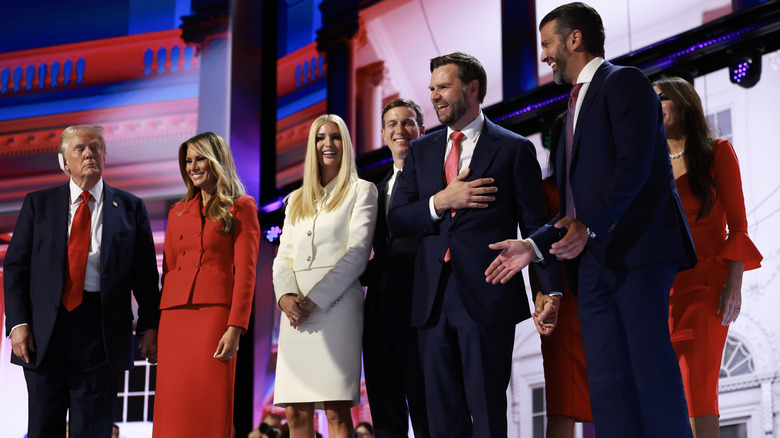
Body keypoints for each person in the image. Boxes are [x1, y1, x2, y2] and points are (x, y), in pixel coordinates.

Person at [485, 3, 698, 437]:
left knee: (649, 372)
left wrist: (591, 224)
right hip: (593, 265)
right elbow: (569, 210)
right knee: (606, 383)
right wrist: (534, 245)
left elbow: (633, 167)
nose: (544, 55)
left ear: (575, 38)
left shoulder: (626, 82)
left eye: (548, 44)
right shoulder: (566, 118)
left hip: (638, 253)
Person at [386, 52, 563, 438]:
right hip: (431, 298)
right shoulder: (421, 151)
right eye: (431, 88)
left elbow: (535, 225)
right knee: (440, 417)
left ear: (472, 88)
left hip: (488, 291)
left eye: (443, 86)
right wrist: (442, 201)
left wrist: (547, 289)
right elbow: (397, 219)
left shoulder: (514, 149)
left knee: (485, 411)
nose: (434, 95)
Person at [3, 125, 160, 438]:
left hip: (100, 331)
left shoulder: (130, 207)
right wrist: (18, 324)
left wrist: (149, 326)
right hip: (44, 332)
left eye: (96, 147)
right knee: (43, 427)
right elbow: (16, 266)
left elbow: (145, 274)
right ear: (64, 162)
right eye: (80, 148)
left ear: (105, 156)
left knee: (91, 429)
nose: (89, 153)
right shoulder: (39, 203)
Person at [653, 76, 762, 437]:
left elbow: (738, 225)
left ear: (683, 104)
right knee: (673, 393)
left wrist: (734, 284)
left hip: (707, 284)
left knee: (698, 385)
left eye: (662, 98)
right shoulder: (652, 164)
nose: (654, 106)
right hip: (665, 289)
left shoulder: (718, 152)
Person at [272, 114, 378, 438]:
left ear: (345, 143)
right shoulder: (295, 200)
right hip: (295, 313)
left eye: (334, 137)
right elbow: (283, 258)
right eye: (320, 138)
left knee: (336, 410)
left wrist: (314, 298)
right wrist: (285, 297)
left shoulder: (363, 191)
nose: (327, 144)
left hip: (337, 306)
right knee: (294, 411)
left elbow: (358, 253)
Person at [153, 132, 261, 437]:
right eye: (188, 161)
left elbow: (247, 272)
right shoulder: (176, 212)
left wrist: (236, 326)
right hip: (174, 316)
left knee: (208, 401)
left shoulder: (241, 206)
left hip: (215, 316)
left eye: (199, 158)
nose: (192, 166)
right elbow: (170, 268)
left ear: (216, 159)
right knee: (172, 402)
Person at [362, 98, 430, 438]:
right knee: (386, 420)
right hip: (378, 316)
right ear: (383, 133)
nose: (400, 130)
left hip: (423, 314)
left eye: (408, 122)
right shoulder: (372, 190)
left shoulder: (438, 183)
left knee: (427, 413)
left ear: (422, 129)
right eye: (392, 124)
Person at [536, 113, 593, 437]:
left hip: (604, 302)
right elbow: (536, 250)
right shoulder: (546, 189)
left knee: (611, 398)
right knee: (562, 402)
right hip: (564, 304)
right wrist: (542, 293)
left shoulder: (604, 189)